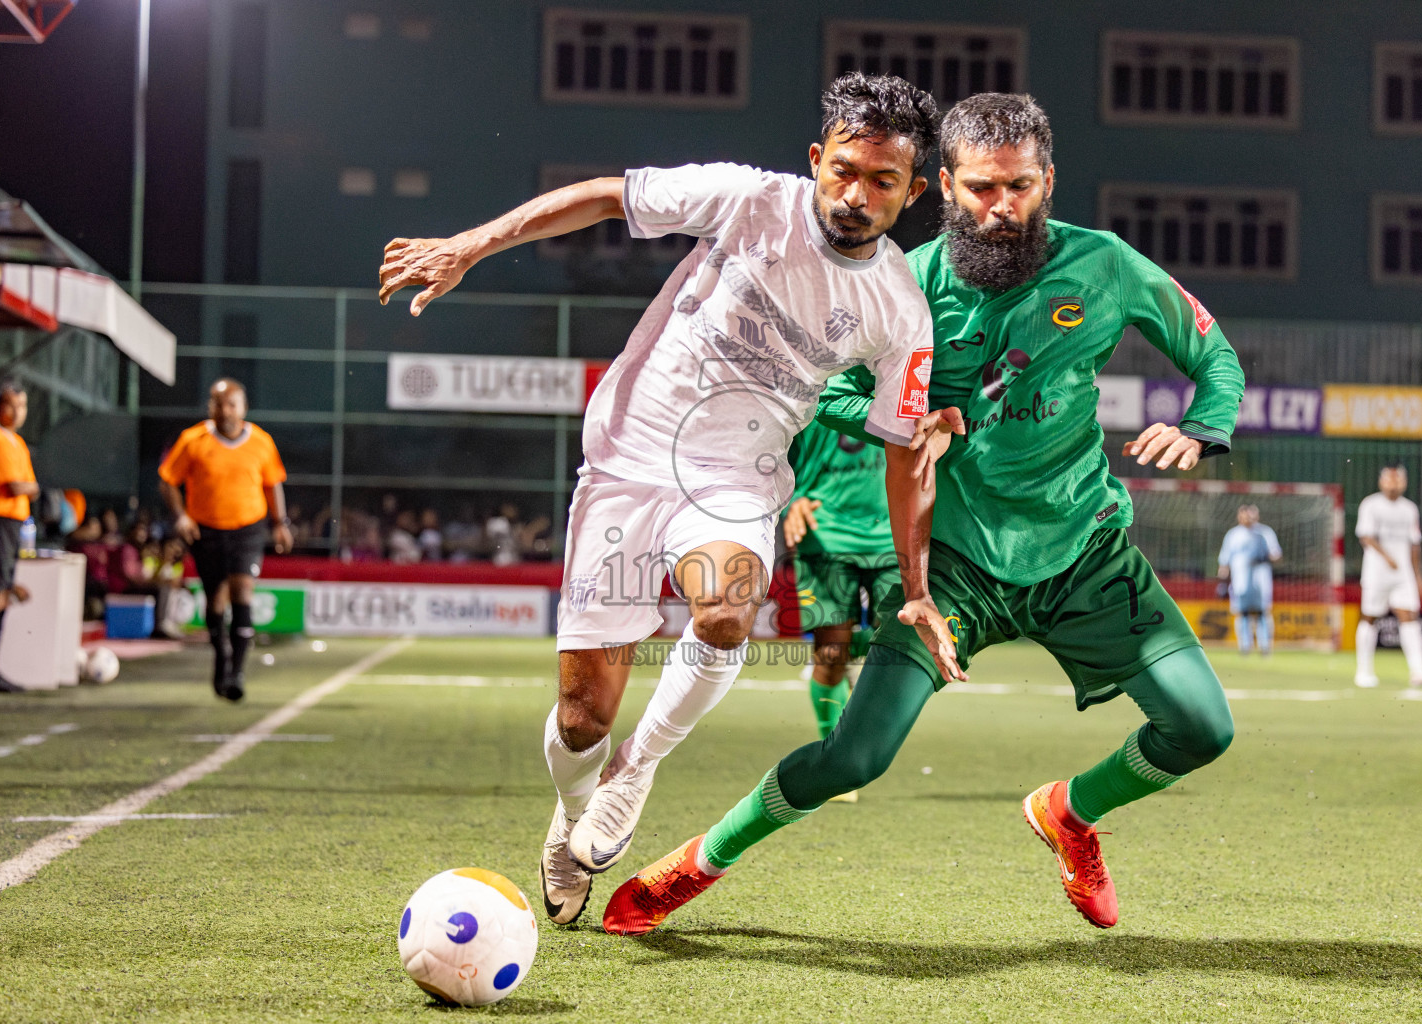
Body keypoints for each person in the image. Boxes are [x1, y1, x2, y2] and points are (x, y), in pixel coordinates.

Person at [603, 92, 1246, 936]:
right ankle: (698, 860)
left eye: (1018, 187)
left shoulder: (1108, 266)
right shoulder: (908, 284)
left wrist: (1204, 427)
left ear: (1047, 182)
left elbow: (1214, 355)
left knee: (1201, 728)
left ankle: (1071, 814)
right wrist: (909, 418)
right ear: (944, 184)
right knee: (854, 757)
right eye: (980, 188)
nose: (1001, 207)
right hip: (953, 570)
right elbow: (828, 388)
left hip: (1084, 551)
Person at [379, 72, 957, 926]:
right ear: (816, 159)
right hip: (626, 457)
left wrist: (915, 586)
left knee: (725, 612)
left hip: (736, 480)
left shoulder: (902, 310)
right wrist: (471, 244)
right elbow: (605, 198)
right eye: (843, 170)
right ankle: (572, 815)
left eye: (881, 181)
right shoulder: (748, 199)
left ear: (913, 192)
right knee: (582, 716)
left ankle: (636, 771)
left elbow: (904, 452)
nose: (855, 194)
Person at [783, 418, 898, 802]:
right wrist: (790, 500)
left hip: (891, 536)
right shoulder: (814, 386)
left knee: (896, 646)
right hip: (824, 532)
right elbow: (772, 457)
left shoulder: (902, 382)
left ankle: (861, 647)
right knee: (831, 653)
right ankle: (833, 757)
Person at [158, 379, 291, 701]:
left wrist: (280, 522)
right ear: (210, 407)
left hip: (248, 529)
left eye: (232, 404)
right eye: (219, 404)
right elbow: (167, 481)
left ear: (243, 407)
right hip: (206, 530)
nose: (226, 410)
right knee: (215, 598)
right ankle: (221, 655)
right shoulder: (193, 441)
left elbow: (273, 484)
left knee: (242, 589)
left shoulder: (261, 441)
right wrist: (181, 516)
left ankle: (237, 673)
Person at [1354, 462, 1422, 688]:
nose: (1394, 483)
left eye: (1398, 479)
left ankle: (1419, 671)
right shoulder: (1371, 505)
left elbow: (1414, 546)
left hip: (1402, 577)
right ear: (1381, 481)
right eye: (1390, 479)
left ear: (1404, 482)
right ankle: (1363, 672)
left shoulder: (1409, 509)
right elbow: (1366, 537)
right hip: (1376, 574)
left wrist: (1418, 576)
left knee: (1409, 617)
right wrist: (1387, 557)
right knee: (1370, 617)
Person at [0, 380, 38, 692]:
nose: (18, 412)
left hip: (10, 524)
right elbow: (20, 486)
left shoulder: (16, 442)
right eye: (12, 405)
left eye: (22, 405)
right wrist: (28, 487)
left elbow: (30, 487)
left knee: (1, 593)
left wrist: (29, 487)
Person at [1216, 504, 1282, 655]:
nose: (1247, 518)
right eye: (1244, 514)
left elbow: (1276, 554)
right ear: (1239, 516)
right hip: (1240, 582)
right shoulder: (1233, 535)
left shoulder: (1264, 533)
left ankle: (1265, 646)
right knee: (1242, 613)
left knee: (1262, 613)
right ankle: (1245, 646)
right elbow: (1224, 561)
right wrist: (1222, 583)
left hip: (1261, 581)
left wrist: (1265, 557)